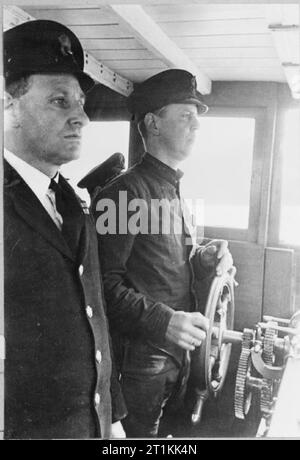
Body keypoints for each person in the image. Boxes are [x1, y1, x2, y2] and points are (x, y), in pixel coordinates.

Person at [92, 69, 233, 437]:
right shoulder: (123, 195)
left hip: (175, 361)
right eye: (186, 116)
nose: (196, 126)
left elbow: (166, 261)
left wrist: (204, 257)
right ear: (153, 123)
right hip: (140, 369)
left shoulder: (172, 189)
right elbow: (101, 288)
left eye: (197, 118)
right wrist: (163, 321)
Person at [3, 19, 126, 439]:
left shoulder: (73, 203)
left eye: (80, 102)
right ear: (8, 104)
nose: (82, 118)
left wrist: (113, 417)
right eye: (60, 101)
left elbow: (95, 317)